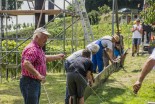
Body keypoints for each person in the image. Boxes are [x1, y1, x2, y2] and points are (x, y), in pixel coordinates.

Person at [20, 27, 65, 104]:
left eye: (47, 37)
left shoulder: (38, 48)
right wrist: (38, 75)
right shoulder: (33, 48)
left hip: (34, 82)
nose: (46, 39)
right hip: (30, 82)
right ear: (37, 37)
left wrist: (57, 56)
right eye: (44, 37)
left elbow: (43, 58)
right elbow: (26, 63)